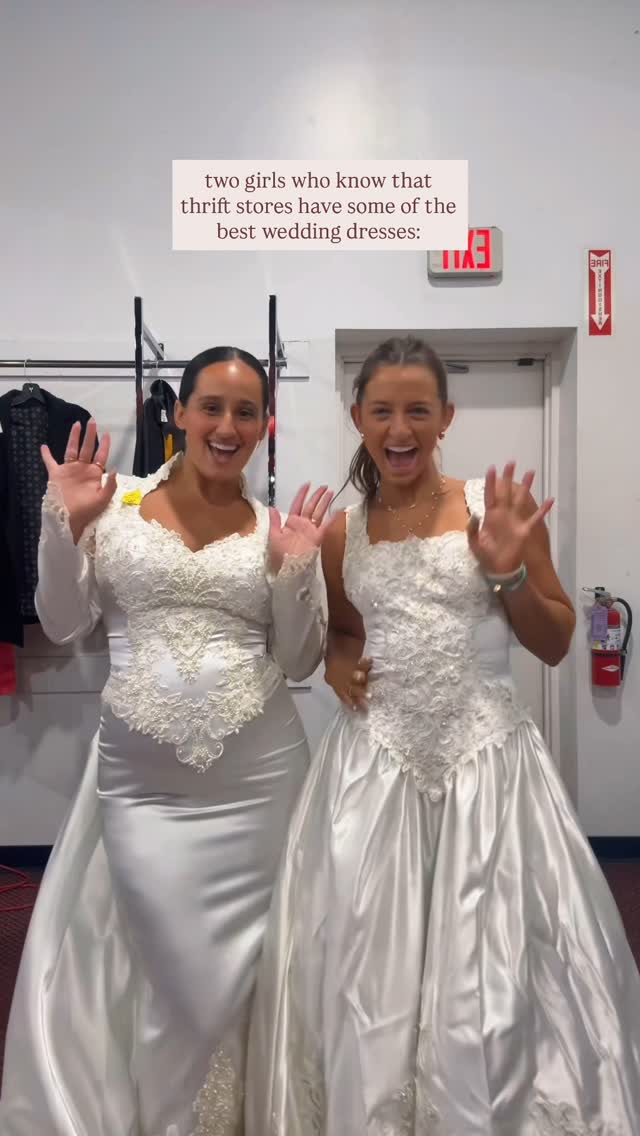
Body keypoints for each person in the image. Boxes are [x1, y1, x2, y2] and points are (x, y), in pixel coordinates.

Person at [244, 336, 640, 1134]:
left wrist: (508, 572)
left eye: (418, 410)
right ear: (358, 417)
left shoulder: (497, 510)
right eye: (383, 411)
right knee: (368, 965)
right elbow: (345, 632)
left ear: (446, 417)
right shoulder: (342, 534)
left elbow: (555, 641)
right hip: (373, 768)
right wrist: (338, 666)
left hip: (487, 768)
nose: (401, 429)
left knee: (488, 975)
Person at [0, 346, 331, 1136]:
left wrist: (295, 575)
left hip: (261, 783)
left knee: (255, 960)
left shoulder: (276, 529)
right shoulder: (114, 502)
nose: (227, 425)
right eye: (211, 406)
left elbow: (298, 661)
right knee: (170, 959)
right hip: (142, 789)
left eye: (246, 411)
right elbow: (64, 622)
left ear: (266, 425)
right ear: (178, 413)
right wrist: (63, 527)